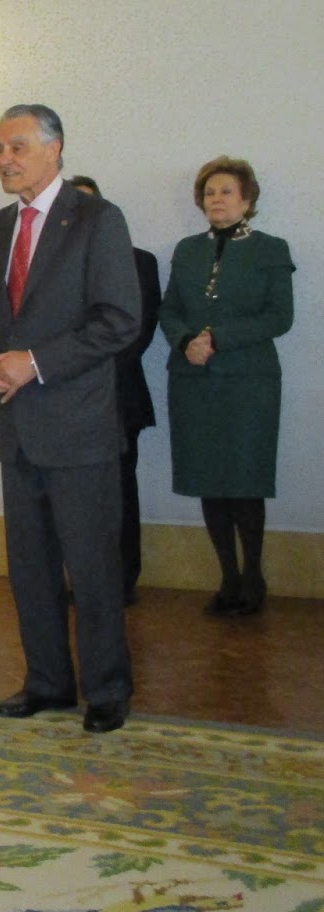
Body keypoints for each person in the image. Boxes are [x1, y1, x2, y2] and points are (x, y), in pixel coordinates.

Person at [0, 106, 140, 734]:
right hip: (16, 430)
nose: (4, 159)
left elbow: (119, 320)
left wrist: (34, 362)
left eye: (16, 146)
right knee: (30, 569)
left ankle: (107, 690)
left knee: (92, 569)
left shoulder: (97, 219)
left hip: (79, 427)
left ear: (54, 148)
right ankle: (47, 682)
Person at [158, 158, 294, 617]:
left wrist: (217, 339)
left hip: (249, 385)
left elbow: (280, 317)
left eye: (227, 191)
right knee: (208, 480)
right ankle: (228, 577)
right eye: (210, 192)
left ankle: (253, 576)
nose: (216, 199)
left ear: (247, 199)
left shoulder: (271, 248)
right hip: (193, 381)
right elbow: (169, 309)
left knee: (244, 481)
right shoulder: (187, 250)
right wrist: (185, 342)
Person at [69, 176, 161, 605]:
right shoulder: (47, 265)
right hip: (63, 400)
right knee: (73, 497)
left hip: (118, 395)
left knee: (120, 490)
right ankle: (82, 580)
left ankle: (123, 580)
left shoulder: (139, 261)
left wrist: (86, 372)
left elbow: (137, 331)